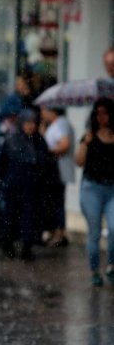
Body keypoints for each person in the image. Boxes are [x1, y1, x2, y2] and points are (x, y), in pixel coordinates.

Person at [0, 109, 58, 260]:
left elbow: (46, 164)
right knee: (10, 217)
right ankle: (7, 244)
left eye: (33, 123)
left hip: (33, 187)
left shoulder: (39, 142)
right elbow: (1, 164)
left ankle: (26, 246)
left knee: (29, 218)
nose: (30, 126)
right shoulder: (11, 140)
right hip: (13, 186)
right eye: (28, 123)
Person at [75, 98, 114, 286]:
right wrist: (85, 143)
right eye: (98, 113)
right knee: (95, 232)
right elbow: (79, 162)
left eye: (105, 112)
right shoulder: (89, 136)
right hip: (92, 189)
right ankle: (94, 270)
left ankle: (111, 266)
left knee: (113, 228)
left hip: (112, 189)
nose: (102, 117)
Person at [41, 106, 75, 247]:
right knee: (54, 202)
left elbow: (64, 144)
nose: (42, 113)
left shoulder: (61, 123)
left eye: (44, 110)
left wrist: (47, 150)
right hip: (54, 172)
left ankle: (60, 233)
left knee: (57, 202)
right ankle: (56, 231)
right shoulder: (55, 125)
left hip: (58, 171)